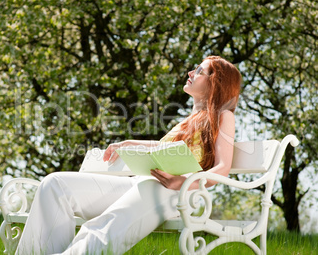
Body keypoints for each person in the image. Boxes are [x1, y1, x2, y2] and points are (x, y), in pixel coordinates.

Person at [16, 55, 242, 254]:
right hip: (146, 184)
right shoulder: (187, 121)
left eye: (200, 71)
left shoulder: (224, 117)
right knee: (55, 185)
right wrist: (128, 144)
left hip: (180, 194)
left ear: (215, 83)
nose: (191, 72)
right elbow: (163, 149)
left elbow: (222, 167)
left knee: (110, 221)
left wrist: (183, 182)